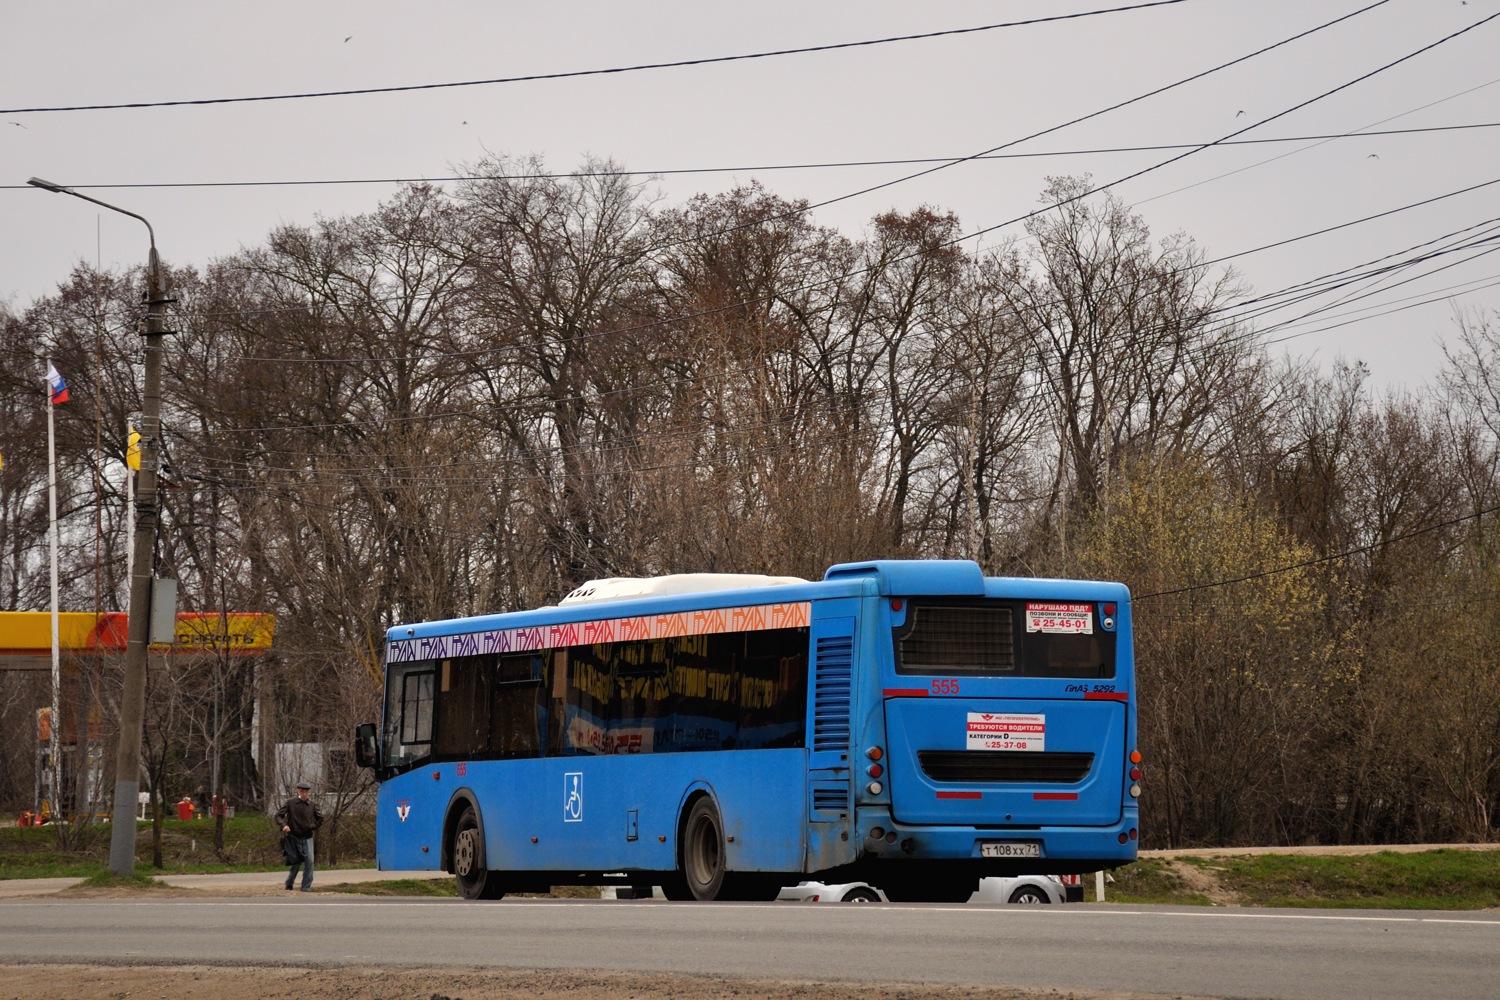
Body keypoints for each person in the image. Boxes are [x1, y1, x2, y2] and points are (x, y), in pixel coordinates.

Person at [275, 780, 324, 892]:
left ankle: (306, 886)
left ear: (308, 792)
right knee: (296, 861)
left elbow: (320, 818)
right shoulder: (290, 803)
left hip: (307, 837)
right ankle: (289, 882)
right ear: (297, 790)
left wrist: (312, 826)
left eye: (306, 791)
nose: (304, 793)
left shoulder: (312, 805)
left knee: (309, 860)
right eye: (302, 791)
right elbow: (278, 816)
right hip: (293, 836)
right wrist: (284, 825)